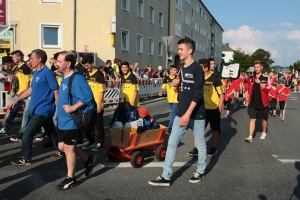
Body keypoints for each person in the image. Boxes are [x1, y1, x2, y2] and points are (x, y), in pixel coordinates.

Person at [148, 38, 206, 186]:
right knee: (172, 143)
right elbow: (184, 87)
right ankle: (165, 176)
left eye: (181, 49)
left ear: (190, 50)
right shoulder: (182, 68)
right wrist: (177, 83)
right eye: (178, 49)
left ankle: (200, 171)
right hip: (181, 112)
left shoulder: (197, 68)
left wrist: (187, 114)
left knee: (199, 143)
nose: (178, 51)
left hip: (196, 114)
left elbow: (198, 94)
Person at [55, 51, 96, 190]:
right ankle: (87, 160)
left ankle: (71, 178)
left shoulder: (77, 78)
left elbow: (87, 97)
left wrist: (73, 107)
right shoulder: (63, 76)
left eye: (59, 61)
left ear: (68, 63)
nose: (56, 63)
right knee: (62, 147)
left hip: (72, 120)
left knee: (69, 148)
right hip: (63, 120)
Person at [10, 49, 59, 165]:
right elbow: (31, 89)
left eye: (32, 58)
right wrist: (18, 100)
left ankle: (26, 158)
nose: (29, 61)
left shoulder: (47, 73)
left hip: (44, 109)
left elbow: (55, 90)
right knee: (51, 131)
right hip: (37, 108)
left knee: (28, 132)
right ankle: (61, 149)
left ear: (39, 59)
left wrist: (59, 108)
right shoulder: (36, 72)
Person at [187, 58, 224, 157]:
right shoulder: (197, 78)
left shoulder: (215, 77)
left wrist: (219, 108)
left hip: (213, 108)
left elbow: (222, 94)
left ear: (206, 68)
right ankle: (196, 148)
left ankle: (213, 148)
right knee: (197, 129)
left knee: (215, 129)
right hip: (200, 108)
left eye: (200, 67)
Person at [0, 50, 31, 136]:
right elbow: (16, 81)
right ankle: (6, 129)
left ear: (19, 57)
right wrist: (14, 90)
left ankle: (23, 132)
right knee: (12, 110)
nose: (12, 59)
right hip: (18, 93)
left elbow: (28, 81)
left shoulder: (25, 68)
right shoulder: (16, 67)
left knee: (26, 114)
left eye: (14, 57)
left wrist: (25, 91)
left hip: (25, 94)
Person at [81, 56, 106, 151]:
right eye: (84, 65)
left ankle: (101, 142)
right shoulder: (86, 74)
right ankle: (91, 140)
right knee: (87, 124)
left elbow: (102, 91)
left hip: (97, 104)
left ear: (92, 63)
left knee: (98, 125)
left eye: (87, 65)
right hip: (88, 104)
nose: (86, 67)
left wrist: (99, 105)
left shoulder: (99, 75)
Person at [245, 60, 271, 143]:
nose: (256, 69)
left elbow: (268, 90)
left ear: (261, 67)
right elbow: (248, 89)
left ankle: (264, 132)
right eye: (255, 67)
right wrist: (247, 99)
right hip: (253, 103)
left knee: (264, 119)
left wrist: (260, 83)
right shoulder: (251, 78)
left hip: (263, 103)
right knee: (252, 119)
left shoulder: (266, 78)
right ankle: (250, 136)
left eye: (258, 67)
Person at [158, 65, 178, 134]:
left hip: (176, 99)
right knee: (174, 113)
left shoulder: (177, 78)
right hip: (169, 99)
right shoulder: (166, 78)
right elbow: (163, 86)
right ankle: (175, 124)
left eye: (176, 70)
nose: (176, 71)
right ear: (171, 70)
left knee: (173, 113)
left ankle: (170, 126)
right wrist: (161, 92)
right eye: (174, 70)